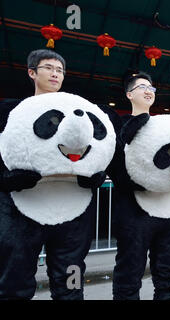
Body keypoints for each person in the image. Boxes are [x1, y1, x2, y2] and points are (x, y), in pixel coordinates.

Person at [0, 49, 103, 300]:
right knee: (15, 278)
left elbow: (100, 149)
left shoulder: (80, 110)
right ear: (32, 72)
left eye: (60, 70)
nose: (55, 74)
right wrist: (6, 178)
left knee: (71, 275)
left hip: (71, 210)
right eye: (49, 68)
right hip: (23, 207)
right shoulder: (10, 111)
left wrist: (96, 174)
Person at [111, 72, 170, 300]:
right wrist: (138, 182)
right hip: (134, 207)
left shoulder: (166, 127)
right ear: (129, 94)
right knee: (130, 263)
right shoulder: (120, 126)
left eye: (151, 88)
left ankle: (166, 296)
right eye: (142, 86)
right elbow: (113, 164)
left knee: (167, 261)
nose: (148, 91)